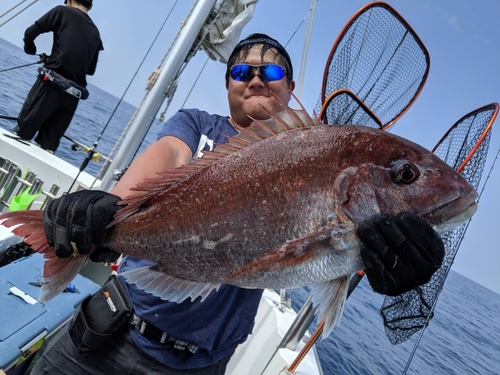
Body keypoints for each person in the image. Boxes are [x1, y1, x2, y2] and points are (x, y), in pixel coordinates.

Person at [30, 33, 445, 374]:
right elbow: (167, 157)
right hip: (110, 329)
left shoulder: (321, 154)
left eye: (272, 71)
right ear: (228, 83)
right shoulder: (196, 126)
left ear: (291, 86)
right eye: (242, 71)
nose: (256, 79)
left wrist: (395, 266)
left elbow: (334, 255)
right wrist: (107, 211)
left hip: (200, 367)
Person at [14, 0, 103, 153]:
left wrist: (30, 47)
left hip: (50, 86)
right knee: (47, 148)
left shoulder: (62, 11)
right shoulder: (96, 33)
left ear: (69, 0)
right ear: (90, 6)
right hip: (72, 96)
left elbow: (29, 33)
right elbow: (90, 70)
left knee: (21, 135)